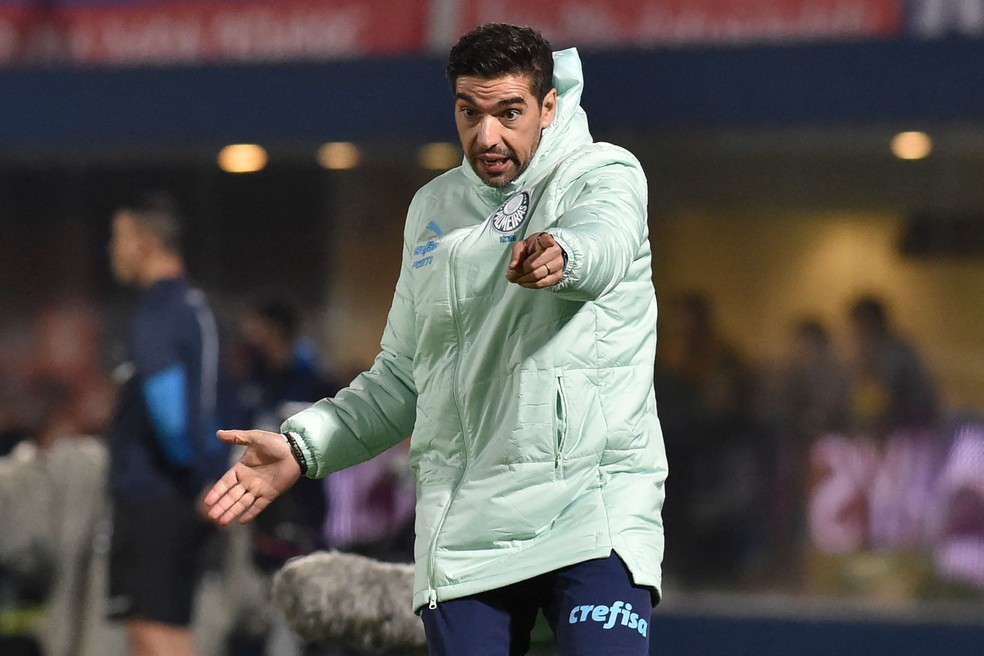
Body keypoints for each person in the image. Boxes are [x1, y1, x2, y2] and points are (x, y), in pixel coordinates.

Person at [206, 23, 666, 656]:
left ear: (549, 104)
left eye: (509, 113)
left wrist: (565, 252)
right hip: (466, 533)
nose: (487, 136)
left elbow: (606, 235)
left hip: (591, 512)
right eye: (469, 113)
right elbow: (402, 378)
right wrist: (302, 448)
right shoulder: (432, 210)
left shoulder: (602, 172)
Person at [106, 193, 230, 656]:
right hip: (163, 492)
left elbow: (171, 410)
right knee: (146, 629)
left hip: (162, 495)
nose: (112, 250)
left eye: (118, 238)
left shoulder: (164, 310)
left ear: (146, 241)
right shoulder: (189, 306)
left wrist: (200, 479)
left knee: (159, 632)